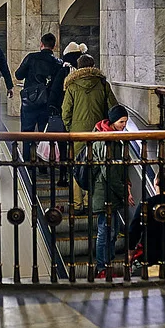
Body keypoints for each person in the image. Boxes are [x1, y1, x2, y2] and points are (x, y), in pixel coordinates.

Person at [62, 54, 117, 212]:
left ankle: (77, 203)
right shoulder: (102, 84)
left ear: (78, 67)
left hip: (77, 134)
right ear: (93, 66)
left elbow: (65, 112)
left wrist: (70, 128)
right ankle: (89, 202)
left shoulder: (72, 86)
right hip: (98, 132)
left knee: (76, 167)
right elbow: (113, 107)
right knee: (94, 166)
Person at [91, 104, 133, 278]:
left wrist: (127, 184)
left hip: (112, 192)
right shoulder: (104, 138)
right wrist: (123, 190)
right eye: (122, 122)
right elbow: (108, 171)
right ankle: (101, 266)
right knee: (105, 230)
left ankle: (107, 262)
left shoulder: (115, 137)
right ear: (114, 120)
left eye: (125, 122)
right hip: (104, 191)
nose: (124, 125)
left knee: (113, 230)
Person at [15, 32, 64, 162]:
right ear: (54, 46)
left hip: (29, 101)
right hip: (47, 102)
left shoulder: (31, 58)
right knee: (45, 133)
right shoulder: (58, 62)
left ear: (41, 44)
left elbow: (19, 75)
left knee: (27, 132)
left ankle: (27, 162)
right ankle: (43, 163)